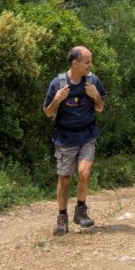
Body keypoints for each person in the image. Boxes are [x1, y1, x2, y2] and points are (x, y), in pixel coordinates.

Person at [43, 46, 107, 235]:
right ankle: (62, 216)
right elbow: (48, 112)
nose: (90, 65)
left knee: (84, 172)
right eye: (87, 62)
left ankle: (80, 210)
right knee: (64, 179)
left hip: (87, 135)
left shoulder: (93, 81)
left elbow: (101, 108)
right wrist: (57, 99)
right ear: (75, 63)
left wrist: (96, 96)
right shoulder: (58, 83)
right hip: (65, 137)